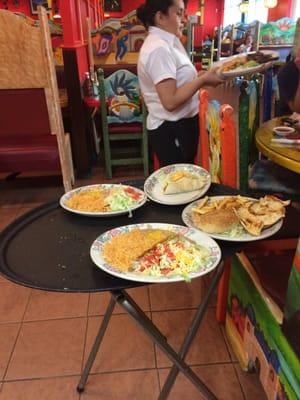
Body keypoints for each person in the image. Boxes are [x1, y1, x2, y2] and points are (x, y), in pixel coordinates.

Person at [136, 0, 225, 167]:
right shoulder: (158, 48)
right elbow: (170, 101)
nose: (184, 19)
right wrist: (203, 80)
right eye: (179, 13)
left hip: (179, 125)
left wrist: (203, 75)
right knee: (181, 186)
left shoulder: (169, 42)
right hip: (171, 128)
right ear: (160, 17)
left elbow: (180, 81)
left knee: (186, 180)